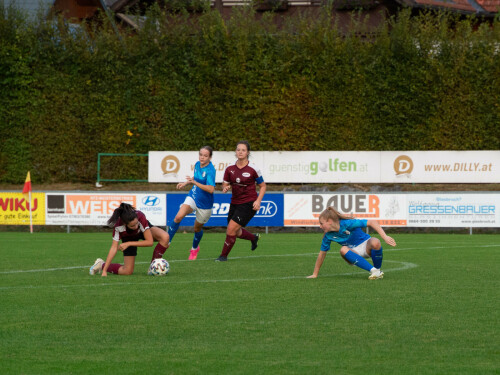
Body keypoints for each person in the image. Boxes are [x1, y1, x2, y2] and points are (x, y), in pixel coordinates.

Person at [307, 206, 396, 280]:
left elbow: (372, 222)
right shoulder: (328, 236)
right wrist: (315, 274)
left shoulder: (348, 224)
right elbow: (322, 254)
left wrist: (385, 237)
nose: (320, 226)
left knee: (375, 242)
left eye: (321, 223)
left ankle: (377, 270)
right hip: (353, 253)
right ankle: (373, 271)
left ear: (329, 221)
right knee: (343, 249)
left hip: (366, 246)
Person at [215, 140, 266, 261]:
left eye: (243, 150)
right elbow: (225, 184)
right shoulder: (229, 168)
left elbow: (263, 186)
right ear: (235, 152)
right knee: (235, 231)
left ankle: (223, 256)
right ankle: (253, 238)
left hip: (249, 202)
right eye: (238, 150)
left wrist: (258, 201)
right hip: (234, 202)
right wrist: (225, 187)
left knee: (231, 229)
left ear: (248, 152)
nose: (240, 152)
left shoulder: (253, 168)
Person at [89, 203, 170, 276]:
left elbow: (149, 242)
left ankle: (153, 269)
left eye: (136, 223)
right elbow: (114, 248)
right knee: (127, 271)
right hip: (128, 238)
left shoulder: (140, 217)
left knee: (165, 237)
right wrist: (105, 270)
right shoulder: (118, 227)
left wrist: (129, 244)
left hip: (143, 232)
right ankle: (101, 264)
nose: (135, 227)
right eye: (132, 226)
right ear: (125, 224)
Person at [167, 146, 216, 260]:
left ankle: (194, 248)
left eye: (205, 156)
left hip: (205, 204)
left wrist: (194, 182)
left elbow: (210, 189)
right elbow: (196, 178)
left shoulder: (210, 170)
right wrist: (186, 183)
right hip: (193, 196)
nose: (202, 157)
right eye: (201, 154)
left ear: (210, 157)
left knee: (196, 229)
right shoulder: (197, 164)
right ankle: (167, 241)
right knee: (178, 217)